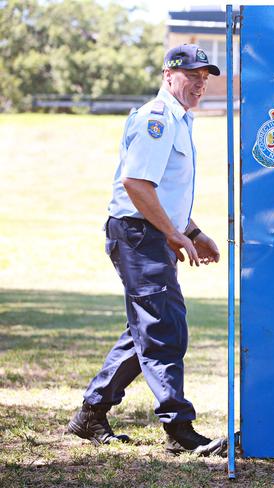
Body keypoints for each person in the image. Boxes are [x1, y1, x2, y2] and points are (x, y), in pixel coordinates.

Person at [68, 44, 226, 456]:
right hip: (138, 235)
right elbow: (136, 184)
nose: (200, 84)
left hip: (149, 232)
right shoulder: (158, 119)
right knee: (164, 328)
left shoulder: (180, 121)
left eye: (205, 77)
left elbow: (165, 189)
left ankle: (91, 412)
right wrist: (174, 234)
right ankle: (178, 428)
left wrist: (193, 229)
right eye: (192, 75)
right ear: (168, 75)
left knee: (147, 326)